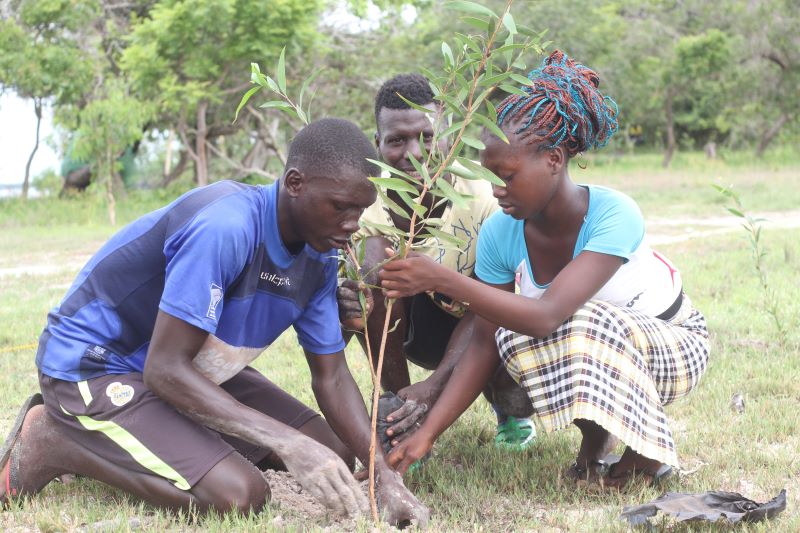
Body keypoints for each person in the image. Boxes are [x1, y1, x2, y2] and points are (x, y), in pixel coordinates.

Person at [0, 118, 429, 526]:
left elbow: (331, 376)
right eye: (340, 207)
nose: (352, 225)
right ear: (295, 183)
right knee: (239, 496)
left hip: (185, 365)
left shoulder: (320, 251)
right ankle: (57, 442)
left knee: (333, 451)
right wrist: (286, 441)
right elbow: (164, 369)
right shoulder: (226, 226)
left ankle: (162, 432)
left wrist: (381, 474)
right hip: (96, 366)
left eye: (360, 210)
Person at [379, 51, 710, 488]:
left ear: (554, 159)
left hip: (675, 345)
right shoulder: (501, 231)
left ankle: (645, 454)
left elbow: (548, 315)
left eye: (508, 176)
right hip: (602, 347)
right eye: (491, 177)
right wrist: (427, 435)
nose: (497, 190)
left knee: (580, 321)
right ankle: (596, 441)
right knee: (509, 335)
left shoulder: (613, 214)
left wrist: (442, 278)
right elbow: (483, 342)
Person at [337, 73, 536, 451]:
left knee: (518, 392)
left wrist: (435, 384)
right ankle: (400, 411)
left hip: (485, 329)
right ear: (378, 143)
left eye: (426, 137)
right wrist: (347, 300)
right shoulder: (365, 206)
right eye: (397, 140)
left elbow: (498, 302)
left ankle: (509, 413)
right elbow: (341, 313)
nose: (414, 153)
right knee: (371, 258)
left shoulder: (483, 196)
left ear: (449, 135)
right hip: (415, 333)